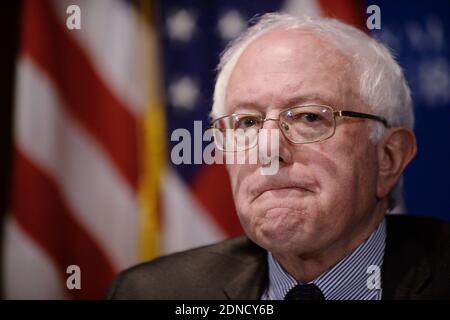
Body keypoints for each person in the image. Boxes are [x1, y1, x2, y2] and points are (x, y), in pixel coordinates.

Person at [106, 13, 450, 300]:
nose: (268, 149)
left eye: (309, 117)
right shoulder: (151, 293)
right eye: (247, 122)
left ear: (388, 157)